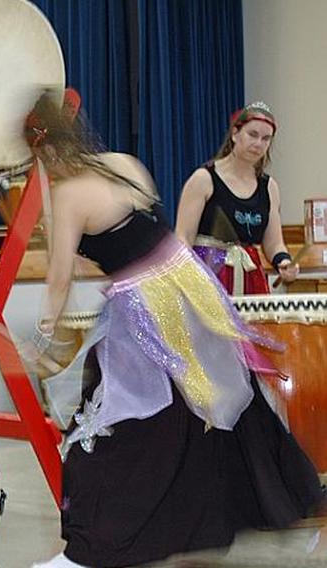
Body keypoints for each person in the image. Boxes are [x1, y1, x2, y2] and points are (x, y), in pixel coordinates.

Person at [21, 94, 323, 568]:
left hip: (147, 307)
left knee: (116, 423)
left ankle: (88, 550)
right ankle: (248, 511)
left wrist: (40, 339)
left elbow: (60, 278)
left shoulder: (67, 192)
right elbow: (134, 238)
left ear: (44, 154)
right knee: (200, 411)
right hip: (191, 288)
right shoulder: (124, 164)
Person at [175, 102, 297, 295]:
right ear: (234, 134)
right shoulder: (204, 179)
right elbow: (183, 236)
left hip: (250, 274)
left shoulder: (269, 187)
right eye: (252, 135)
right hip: (209, 273)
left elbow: (274, 243)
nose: (258, 144)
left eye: (266, 139)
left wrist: (284, 261)